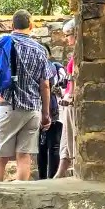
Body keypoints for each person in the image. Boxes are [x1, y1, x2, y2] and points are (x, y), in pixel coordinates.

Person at [0, 9, 54, 182]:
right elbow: (45, 84)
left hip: (8, 106)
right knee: (24, 156)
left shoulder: (2, 42)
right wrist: (45, 114)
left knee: (0, 157)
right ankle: (22, 198)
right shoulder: (40, 50)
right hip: (32, 110)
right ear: (31, 26)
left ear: (12, 25)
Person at [37, 44, 67, 181]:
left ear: (48, 54)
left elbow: (65, 87)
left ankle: (49, 177)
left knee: (52, 146)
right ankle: (45, 178)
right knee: (42, 146)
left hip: (53, 112)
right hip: (44, 111)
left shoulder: (56, 67)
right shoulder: (45, 68)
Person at [55, 18, 77, 178]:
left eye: (68, 35)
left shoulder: (78, 55)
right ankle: (60, 173)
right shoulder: (76, 54)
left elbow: (74, 79)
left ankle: (65, 172)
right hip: (68, 101)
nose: (67, 39)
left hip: (71, 102)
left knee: (71, 138)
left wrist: (70, 95)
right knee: (66, 139)